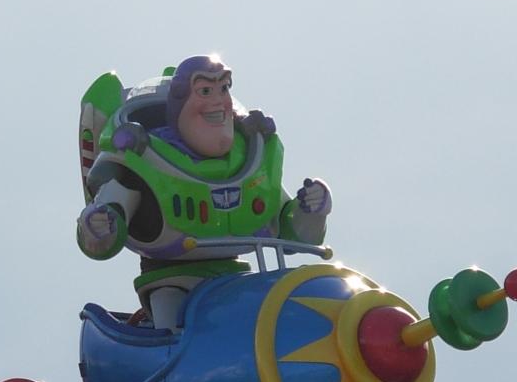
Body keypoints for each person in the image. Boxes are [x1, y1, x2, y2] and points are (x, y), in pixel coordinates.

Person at [77, 54, 332, 329]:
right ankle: (166, 343)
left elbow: (289, 230)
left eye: (224, 88)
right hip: (171, 281)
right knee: (172, 320)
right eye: (206, 91)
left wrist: (312, 210)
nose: (218, 101)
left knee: (278, 312)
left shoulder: (248, 161)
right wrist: (99, 226)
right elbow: (105, 229)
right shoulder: (141, 158)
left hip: (236, 278)